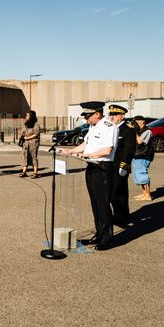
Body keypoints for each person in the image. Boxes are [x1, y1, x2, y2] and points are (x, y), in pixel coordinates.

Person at [60, 101, 118, 250]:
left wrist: (89, 155)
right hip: (91, 167)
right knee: (95, 203)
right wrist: (70, 151)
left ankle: (107, 237)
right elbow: (85, 144)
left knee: (103, 203)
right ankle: (99, 234)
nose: (86, 119)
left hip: (103, 168)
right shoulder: (92, 127)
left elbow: (107, 149)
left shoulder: (109, 127)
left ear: (97, 114)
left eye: (88, 115)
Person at [107, 104, 136, 227]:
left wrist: (124, 165)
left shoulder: (128, 129)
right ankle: (117, 215)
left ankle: (123, 217)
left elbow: (129, 150)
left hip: (120, 165)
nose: (112, 117)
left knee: (120, 193)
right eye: (111, 114)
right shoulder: (111, 128)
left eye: (115, 115)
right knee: (112, 193)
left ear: (122, 116)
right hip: (110, 165)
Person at [132, 115, 153, 202]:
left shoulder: (147, 131)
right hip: (137, 155)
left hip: (144, 155)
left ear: (142, 121)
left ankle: (148, 195)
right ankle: (144, 193)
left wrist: (135, 131)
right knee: (138, 175)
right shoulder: (140, 131)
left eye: (136, 121)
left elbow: (140, 141)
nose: (135, 123)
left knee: (142, 175)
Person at [19, 110, 41, 179]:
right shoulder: (26, 124)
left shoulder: (36, 124)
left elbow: (36, 134)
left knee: (33, 157)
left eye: (27, 115)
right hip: (25, 144)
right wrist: (22, 135)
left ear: (31, 116)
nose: (26, 116)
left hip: (33, 143)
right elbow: (22, 131)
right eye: (26, 115)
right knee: (25, 156)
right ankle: (24, 172)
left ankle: (35, 173)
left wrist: (28, 138)